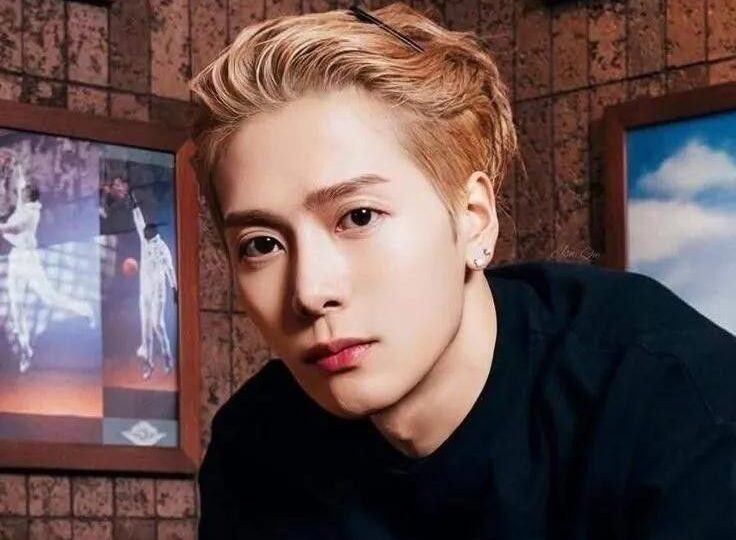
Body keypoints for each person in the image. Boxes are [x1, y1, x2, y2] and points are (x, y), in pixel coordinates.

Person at [189, 2, 736, 539]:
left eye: (358, 217)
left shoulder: (673, 402)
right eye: (261, 244)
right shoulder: (255, 449)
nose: (310, 292)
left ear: (474, 218)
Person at [0, 161, 95, 373]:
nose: (20, 192)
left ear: (29, 196)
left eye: (24, 191)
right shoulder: (23, 204)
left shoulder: (30, 214)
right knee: (16, 305)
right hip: (16, 258)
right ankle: (26, 350)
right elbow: (20, 181)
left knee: (50, 297)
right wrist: (16, 166)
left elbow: (9, 228)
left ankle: (86, 309)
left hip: (29, 259)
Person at [128, 189, 177, 380]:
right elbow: (139, 221)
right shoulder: (144, 239)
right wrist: (134, 204)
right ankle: (148, 364)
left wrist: (175, 288)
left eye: (149, 237)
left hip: (158, 292)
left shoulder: (163, 249)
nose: (146, 239)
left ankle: (167, 357)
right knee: (145, 331)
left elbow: (170, 270)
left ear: (155, 236)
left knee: (158, 326)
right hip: (145, 292)